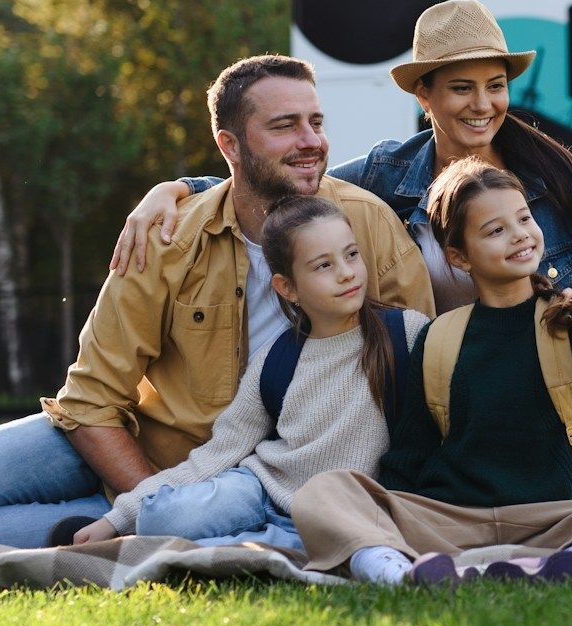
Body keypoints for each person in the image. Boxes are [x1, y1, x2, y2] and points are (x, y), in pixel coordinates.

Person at [113, 0, 572, 501]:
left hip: (556, 366)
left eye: (496, 84)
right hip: (446, 384)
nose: (483, 104)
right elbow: (291, 185)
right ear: (423, 94)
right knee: (464, 509)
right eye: (462, 87)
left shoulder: (557, 177)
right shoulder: (386, 175)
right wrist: (178, 189)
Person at [0, 56, 434, 547]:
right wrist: (145, 505)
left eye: (315, 122)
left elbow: (418, 371)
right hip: (142, 450)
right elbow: (91, 397)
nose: (311, 141)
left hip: (248, 480)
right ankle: (109, 518)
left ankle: (97, 523)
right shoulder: (167, 235)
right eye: (285, 126)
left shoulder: (365, 223)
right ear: (228, 145)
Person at [293, 157, 572, 586]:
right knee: (325, 493)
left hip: (555, 519)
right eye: (495, 230)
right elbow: (409, 456)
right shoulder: (439, 337)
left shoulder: (569, 317)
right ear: (459, 256)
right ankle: (397, 573)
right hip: (453, 520)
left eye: (524, 218)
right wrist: (385, 513)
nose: (520, 234)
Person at [65, 195, 429, 551]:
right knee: (163, 518)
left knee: (327, 533)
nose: (347, 273)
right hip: (260, 489)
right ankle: (249, 543)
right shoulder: (277, 360)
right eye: (323, 266)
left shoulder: (406, 334)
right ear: (287, 288)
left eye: (351, 255)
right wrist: (116, 518)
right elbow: (217, 454)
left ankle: (252, 545)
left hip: (339, 505)